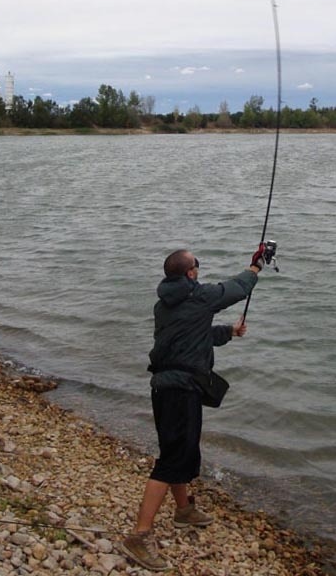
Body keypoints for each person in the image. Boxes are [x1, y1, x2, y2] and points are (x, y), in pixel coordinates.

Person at [120, 244, 267, 571]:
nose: (198, 270)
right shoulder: (199, 297)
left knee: (179, 452)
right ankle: (139, 535)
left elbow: (193, 333)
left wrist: (228, 331)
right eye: (196, 266)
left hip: (164, 388)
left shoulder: (165, 304)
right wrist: (256, 266)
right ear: (189, 272)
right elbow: (238, 288)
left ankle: (184, 510)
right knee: (174, 457)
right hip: (181, 390)